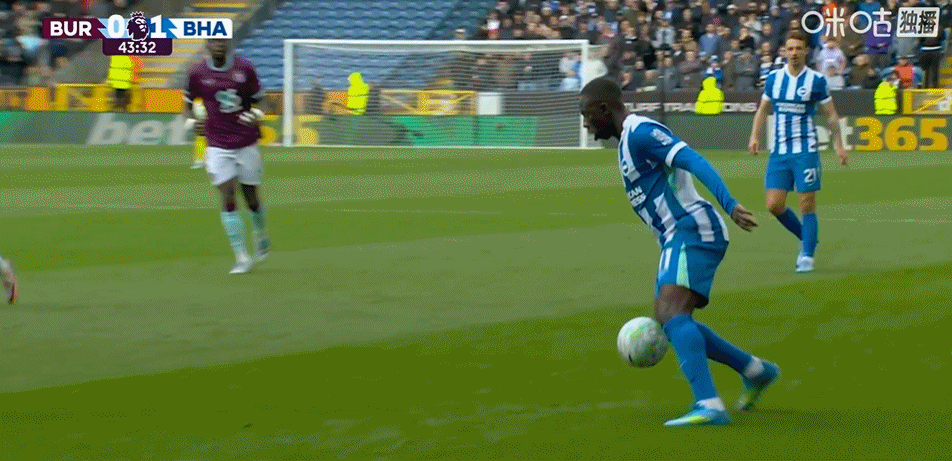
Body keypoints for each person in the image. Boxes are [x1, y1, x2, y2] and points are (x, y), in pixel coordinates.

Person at [579, 77, 780, 427]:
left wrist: (729, 203)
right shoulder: (627, 142)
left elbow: (693, 159)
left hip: (692, 229)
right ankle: (755, 370)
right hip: (676, 236)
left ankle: (710, 405)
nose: (585, 123)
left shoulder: (641, 132)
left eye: (586, 114)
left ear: (603, 109)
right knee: (671, 318)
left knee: (672, 313)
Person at [748, 31, 849, 274]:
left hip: (806, 151)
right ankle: (807, 237)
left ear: (805, 51)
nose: (794, 53)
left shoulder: (816, 80)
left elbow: (830, 115)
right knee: (773, 204)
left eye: (798, 48)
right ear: (785, 51)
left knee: (806, 203)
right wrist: (754, 136)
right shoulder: (774, 79)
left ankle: (807, 255)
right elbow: (762, 109)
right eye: (790, 48)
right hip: (779, 152)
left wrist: (838, 144)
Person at [184, 39, 270, 274]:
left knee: (251, 198)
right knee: (228, 196)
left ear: (229, 44)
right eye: (214, 41)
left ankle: (260, 233)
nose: (219, 44)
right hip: (217, 144)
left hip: (246, 141)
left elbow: (262, 99)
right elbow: (188, 103)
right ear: (207, 45)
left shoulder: (245, 68)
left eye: (222, 40)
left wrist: (257, 114)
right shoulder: (197, 73)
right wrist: (191, 122)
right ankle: (241, 256)